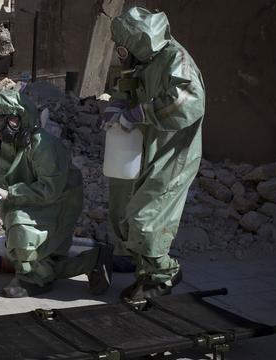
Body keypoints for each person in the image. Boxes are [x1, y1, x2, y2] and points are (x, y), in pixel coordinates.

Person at [102, 7, 206, 301]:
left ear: (137, 43)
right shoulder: (144, 59)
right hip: (143, 149)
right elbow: (129, 83)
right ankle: (143, 269)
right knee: (123, 211)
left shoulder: (176, 60)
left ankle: (164, 274)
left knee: (146, 218)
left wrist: (141, 112)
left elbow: (189, 101)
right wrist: (118, 104)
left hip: (173, 154)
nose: (121, 54)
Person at [0, 89, 113, 298]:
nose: (7, 126)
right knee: (31, 256)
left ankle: (34, 280)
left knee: (22, 234)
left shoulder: (43, 145)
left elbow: (50, 189)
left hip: (56, 203)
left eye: (13, 120)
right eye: (1, 120)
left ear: (24, 118)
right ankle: (92, 260)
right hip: (23, 202)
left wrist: (7, 192)